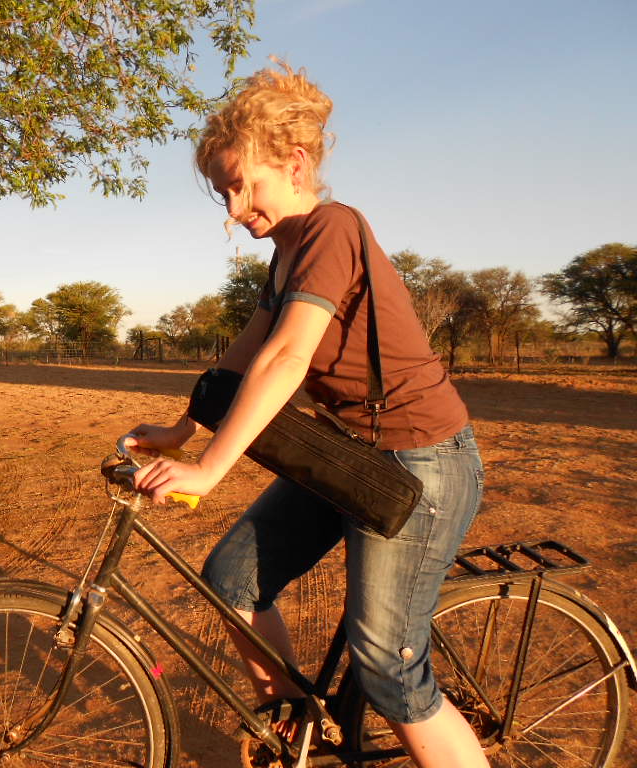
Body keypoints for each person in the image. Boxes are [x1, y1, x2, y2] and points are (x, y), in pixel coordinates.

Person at [127, 62, 489, 768]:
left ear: (294, 165)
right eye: (225, 192)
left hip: (422, 462)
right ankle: (296, 727)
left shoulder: (333, 227)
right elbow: (245, 354)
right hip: (352, 456)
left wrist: (208, 467)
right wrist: (182, 428)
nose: (233, 209)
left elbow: (287, 357)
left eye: (242, 185)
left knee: (387, 664)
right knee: (232, 576)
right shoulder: (285, 255)